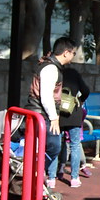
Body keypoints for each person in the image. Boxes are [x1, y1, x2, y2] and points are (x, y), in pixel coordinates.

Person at [26, 36, 77, 189]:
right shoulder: (50, 68)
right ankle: (36, 172)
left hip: (40, 113)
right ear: (66, 53)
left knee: (48, 147)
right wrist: (54, 118)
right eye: (73, 53)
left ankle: (36, 173)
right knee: (53, 146)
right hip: (41, 114)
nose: (73, 56)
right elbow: (46, 96)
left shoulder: (50, 66)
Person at [60, 65, 92, 187]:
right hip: (74, 113)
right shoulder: (74, 74)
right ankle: (74, 177)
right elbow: (86, 91)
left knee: (59, 144)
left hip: (58, 113)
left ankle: (54, 175)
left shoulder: (56, 73)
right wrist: (80, 100)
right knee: (75, 145)